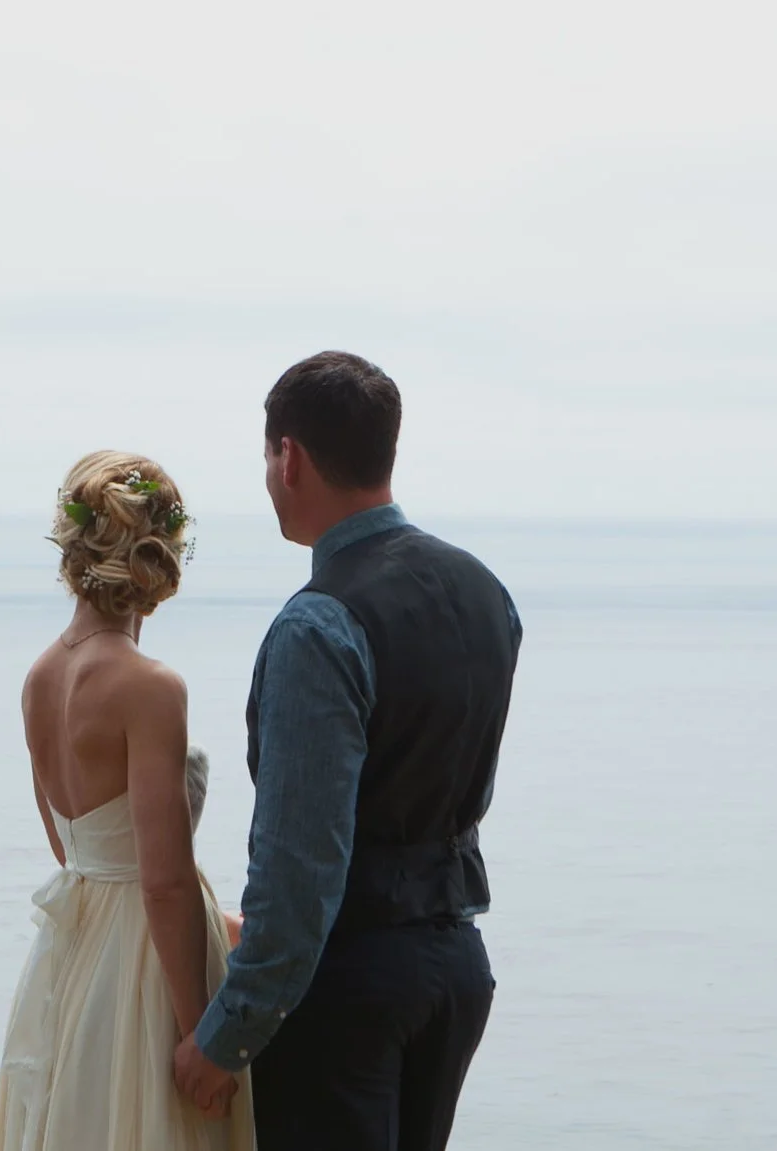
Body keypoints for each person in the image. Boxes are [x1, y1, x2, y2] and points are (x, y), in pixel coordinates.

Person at [173, 353, 522, 1151]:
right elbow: (461, 793)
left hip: (347, 993)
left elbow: (301, 866)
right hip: (456, 969)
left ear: (288, 456)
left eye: (267, 456)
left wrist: (223, 1036)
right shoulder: (485, 592)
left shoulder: (316, 626)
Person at [0, 451, 255, 1151]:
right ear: (158, 561)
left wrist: (218, 920)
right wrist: (203, 1029)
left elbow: (75, 851)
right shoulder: (150, 686)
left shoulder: (39, 677)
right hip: (145, 970)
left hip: (71, 959)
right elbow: (161, 879)